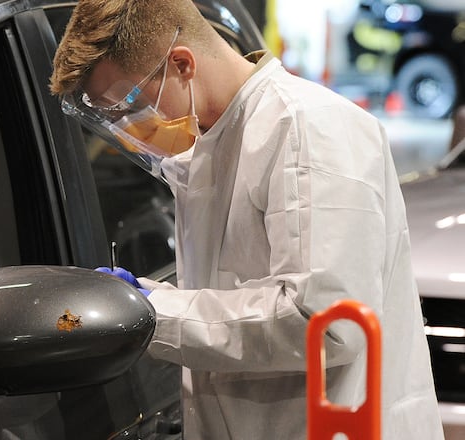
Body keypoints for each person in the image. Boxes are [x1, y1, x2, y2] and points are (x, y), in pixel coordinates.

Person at [49, 0, 444, 438]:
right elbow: (238, 293)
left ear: (182, 65)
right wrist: (151, 295)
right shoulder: (216, 146)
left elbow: (326, 322)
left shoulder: (309, 129)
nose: (127, 127)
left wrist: (153, 313)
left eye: (128, 105)